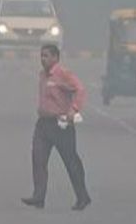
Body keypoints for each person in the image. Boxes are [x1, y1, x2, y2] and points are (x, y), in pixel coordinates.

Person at [22, 44, 92, 211]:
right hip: (43, 124)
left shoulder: (63, 74)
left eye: (46, 56)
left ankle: (82, 196)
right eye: (41, 56)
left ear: (55, 57)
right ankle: (39, 196)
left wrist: (73, 110)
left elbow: (80, 89)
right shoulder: (42, 75)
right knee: (38, 158)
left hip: (61, 124)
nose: (43, 59)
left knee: (71, 161)